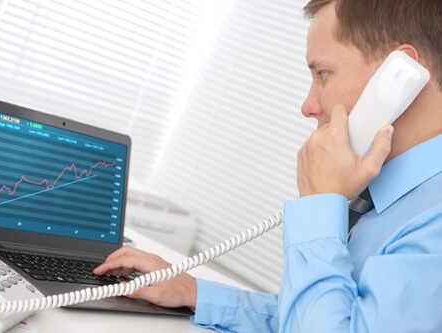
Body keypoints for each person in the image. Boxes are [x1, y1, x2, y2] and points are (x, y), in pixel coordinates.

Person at [94, 0, 442, 331]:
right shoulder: (391, 196)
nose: (307, 106)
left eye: (323, 73)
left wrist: (320, 203)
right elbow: (323, 317)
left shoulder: (433, 225)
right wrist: (191, 292)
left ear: (399, 75)